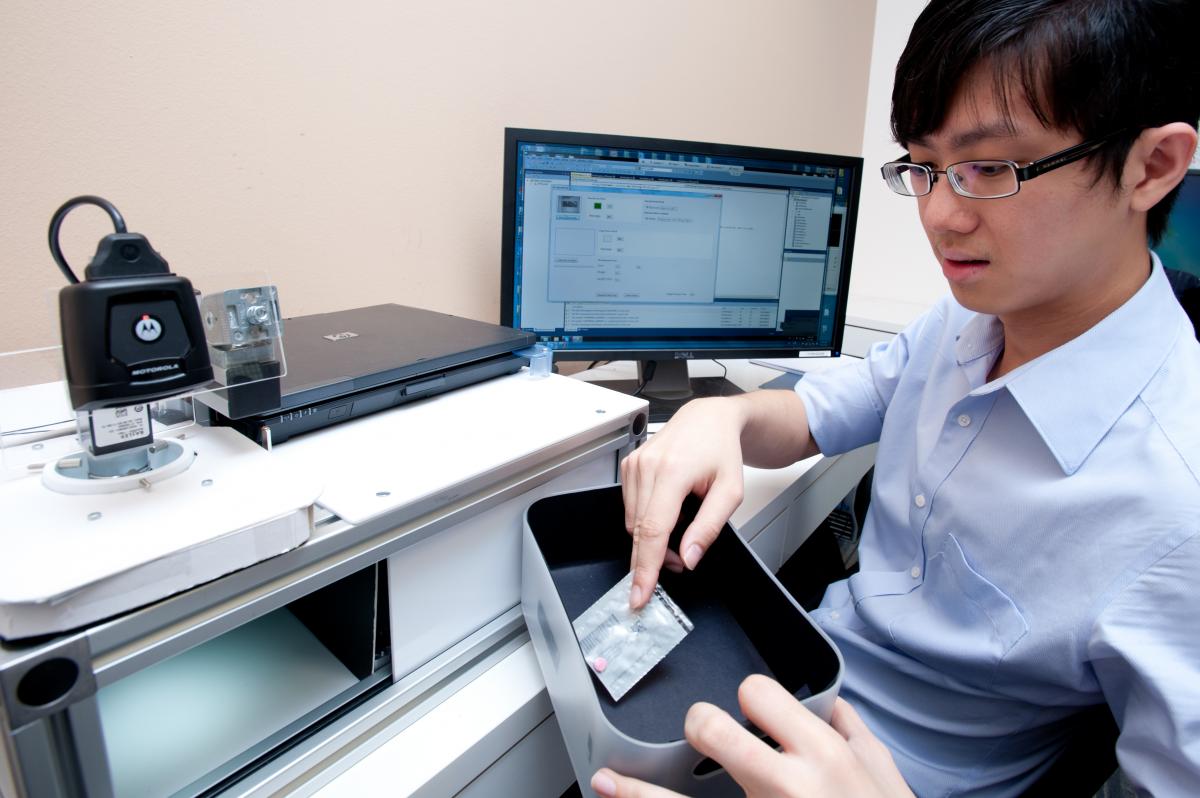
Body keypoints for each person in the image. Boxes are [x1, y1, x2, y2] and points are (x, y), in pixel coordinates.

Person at [591, 1, 1200, 795]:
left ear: (1150, 168)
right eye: (922, 166)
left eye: (992, 169)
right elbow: (809, 416)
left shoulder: (1177, 505)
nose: (940, 216)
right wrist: (721, 415)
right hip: (799, 680)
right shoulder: (966, 321)